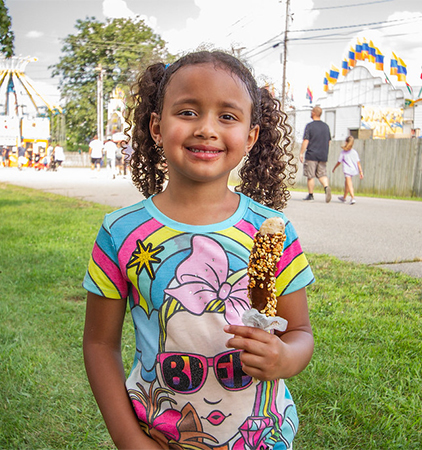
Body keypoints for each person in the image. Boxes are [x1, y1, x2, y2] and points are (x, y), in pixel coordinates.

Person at [83, 51, 315, 450]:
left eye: (227, 116)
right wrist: (128, 439)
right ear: (157, 126)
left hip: (261, 435)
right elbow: (99, 344)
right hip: (159, 434)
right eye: (187, 112)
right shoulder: (119, 232)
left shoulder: (273, 231)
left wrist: (285, 359)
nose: (207, 129)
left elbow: (300, 332)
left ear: (251, 135)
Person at [299, 106, 332, 202]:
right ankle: (326, 187)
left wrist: (301, 152)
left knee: (310, 175)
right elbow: (329, 141)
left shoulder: (310, 126)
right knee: (322, 174)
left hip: (312, 154)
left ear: (313, 113)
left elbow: (306, 140)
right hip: (323, 154)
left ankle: (310, 195)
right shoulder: (326, 127)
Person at [332, 135, 364, 205]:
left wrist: (334, 168)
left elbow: (339, 162)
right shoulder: (354, 152)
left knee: (349, 183)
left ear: (346, 142)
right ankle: (344, 197)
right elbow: (358, 163)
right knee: (346, 183)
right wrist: (361, 172)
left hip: (347, 170)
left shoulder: (343, 152)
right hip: (353, 170)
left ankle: (353, 198)